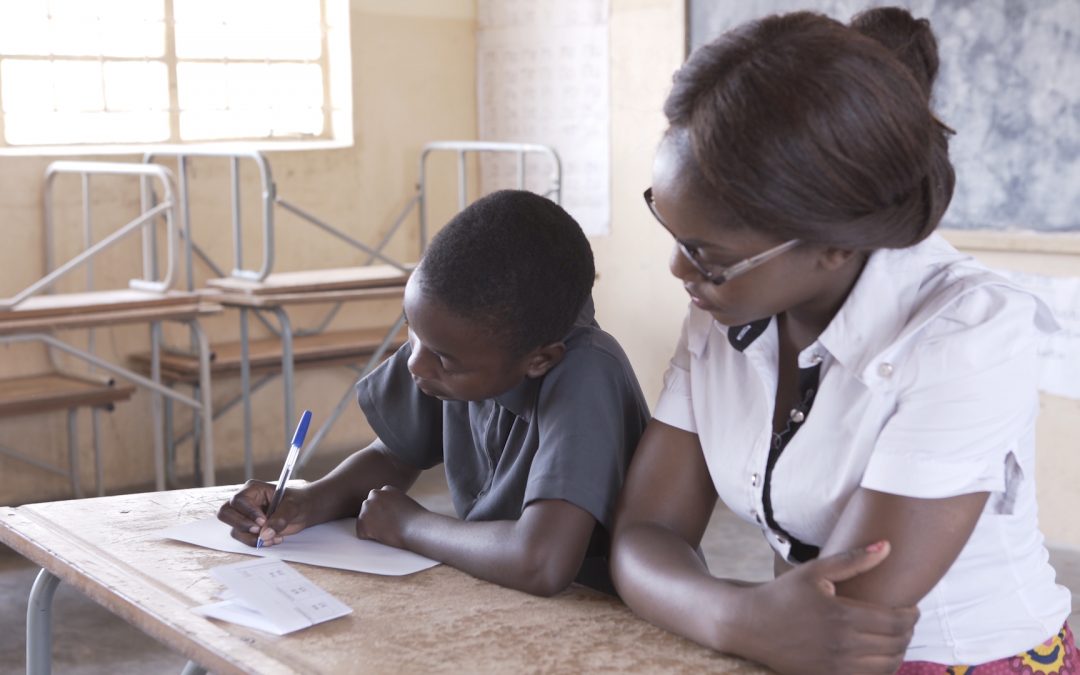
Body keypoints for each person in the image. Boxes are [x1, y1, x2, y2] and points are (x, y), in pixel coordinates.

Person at [610, 7, 1074, 674]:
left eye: (706, 253)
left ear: (831, 245)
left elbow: (844, 621)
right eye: (671, 228)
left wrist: (718, 607)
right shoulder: (724, 303)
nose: (679, 270)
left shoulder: (968, 333)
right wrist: (734, 615)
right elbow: (643, 534)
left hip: (967, 660)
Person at [219, 189, 649, 597]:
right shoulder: (458, 346)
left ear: (538, 360)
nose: (415, 364)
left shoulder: (588, 373)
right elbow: (392, 456)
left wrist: (412, 526)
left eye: (443, 358)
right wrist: (306, 501)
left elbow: (540, 562)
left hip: (602, 622)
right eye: (411, 331)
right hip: (495, 598)